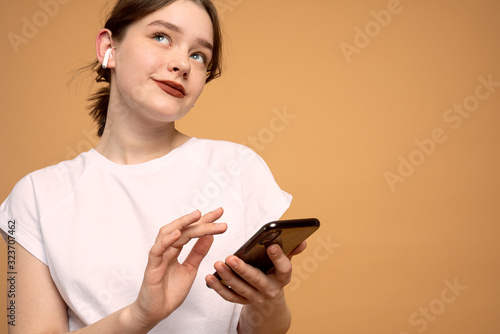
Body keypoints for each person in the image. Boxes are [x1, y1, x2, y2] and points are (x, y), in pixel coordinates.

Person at [0, 0, 307, 333]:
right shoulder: (33, 197)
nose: (182, 64)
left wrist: (269, 300)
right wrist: (139, 317)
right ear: (109, 48)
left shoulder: (240, 167)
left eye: (198, 55)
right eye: (161, 37)